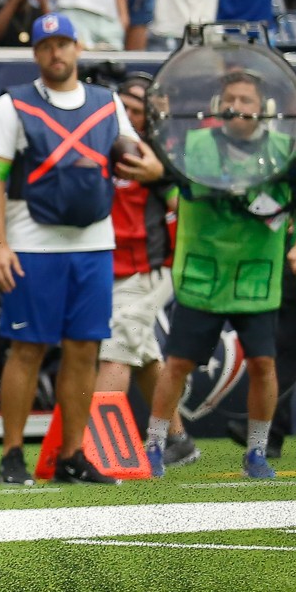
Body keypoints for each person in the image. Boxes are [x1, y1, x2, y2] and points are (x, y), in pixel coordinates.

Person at [0, 13, 164, 486]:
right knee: (28, 348)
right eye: (46, 46)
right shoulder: (13, 104)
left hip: (94, 243)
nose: (56, 53)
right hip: (31, 244)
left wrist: (154, 169)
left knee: (85, 349)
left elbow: (137, 157)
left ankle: (72, 455)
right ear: (36, 53)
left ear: (77, 49)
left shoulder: (107, 104)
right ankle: (12, 455)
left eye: (63, 44)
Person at [146, 69, 296, 479]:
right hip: (204, 276)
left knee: (264, 364)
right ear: (218, 105)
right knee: (176, 364)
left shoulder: (286, 150)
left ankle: (257, 451)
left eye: (247, 100)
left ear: (263, 109)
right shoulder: (194, 146)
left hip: (257, 277)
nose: (238, 106)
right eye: (231, 98)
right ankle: (155, 446)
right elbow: (182, 183)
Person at [95, 74, 195, 466]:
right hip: (111, 265)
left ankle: (101, 448)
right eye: (126, 109)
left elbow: (185, 210)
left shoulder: (160, 156)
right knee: (146, 354)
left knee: (115, 351)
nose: (131, 118)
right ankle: (179, 438)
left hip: (148, 267)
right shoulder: (105, 146)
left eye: (138, 111)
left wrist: (162, 176)